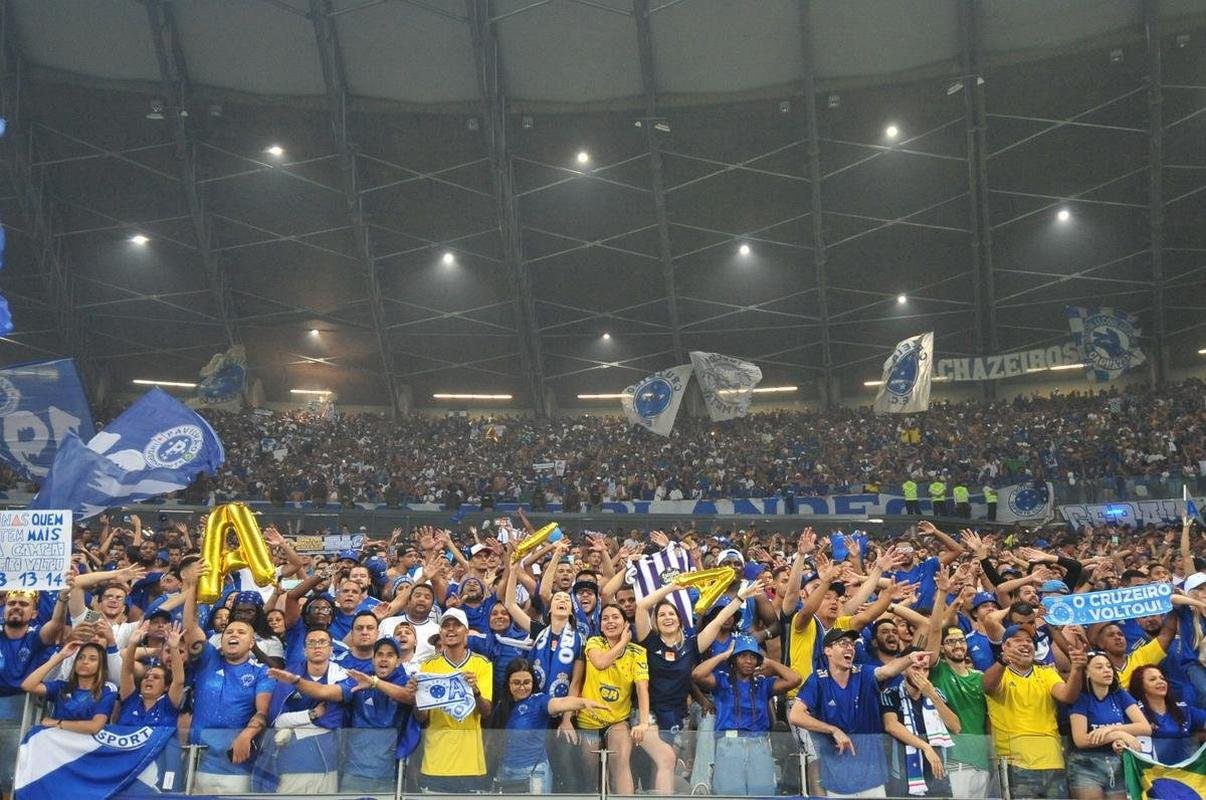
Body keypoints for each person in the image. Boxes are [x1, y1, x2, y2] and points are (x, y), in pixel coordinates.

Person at [789, 628, 928, 798]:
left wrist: (909, 659)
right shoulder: (818, 680)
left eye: (852, 644)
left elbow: (888, 670)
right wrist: (833, 730)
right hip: (837, 775)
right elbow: (796, 715)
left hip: (871, 774)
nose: (850, 648)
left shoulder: (863, 672)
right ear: (828, 650)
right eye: (843, 643)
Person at [184, 563, 276, 793]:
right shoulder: (208, 660)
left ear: (252, 642)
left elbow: (262, 713)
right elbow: (190, 627)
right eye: (229, 632)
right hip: (198, 762)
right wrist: (193, 587)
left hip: (236, 766)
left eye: (241, 632)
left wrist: (248, 733)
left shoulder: (261, 672)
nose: (233, 634)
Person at [578, 603, 675, 795]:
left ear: (625, 623)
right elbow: (601, 663)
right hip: (588, 720)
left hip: (617, 720)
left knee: (621, 764)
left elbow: (642, 688)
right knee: (589, 772)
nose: (610, 621)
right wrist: (623, 642)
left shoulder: (638, 652)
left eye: (615, 617)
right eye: (605, 618)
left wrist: (644, 723)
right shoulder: (594, 642)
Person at [984, 624, 1087, 800]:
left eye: (1029, 641)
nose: (1025, 644)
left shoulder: (1046, 673)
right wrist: (1002, 661)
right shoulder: (1000, 674)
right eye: (1018, 641)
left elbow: (1067, 696)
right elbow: (987, 686)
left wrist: (1077, 669)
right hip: (1014, 764)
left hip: (1053, 763)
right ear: (1005, 647)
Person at [691, 635, 801, 796]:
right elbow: (697, 675)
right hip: (729, 744)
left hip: (759, 744)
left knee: (763, 795)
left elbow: (795, 679)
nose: (749, 661)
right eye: (743, 656)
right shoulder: (723, 681)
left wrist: (769, 662)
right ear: (734, 659)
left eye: (753, 657)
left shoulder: (763, 683)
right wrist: (724, 654)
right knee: (730, 796)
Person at [489, 658, 605, 792]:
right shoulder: (501, 706)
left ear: (533, 682)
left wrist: (583, 703)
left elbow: (561, 703)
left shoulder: (540, 701)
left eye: (527, 682)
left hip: (535, 772)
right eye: (516, 683)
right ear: (508, 683)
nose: (522, 687)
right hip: (505, 772)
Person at [263, 627, 353, 793]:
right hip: (293, 761)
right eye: (311, 643)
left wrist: (294, 726)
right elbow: (278, 720)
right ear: (304, 650)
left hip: (328, 762)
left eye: (322, 642)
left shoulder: (342, 675)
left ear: (331, 649)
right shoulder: (289, 674)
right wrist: (312, 714)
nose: (317, 646)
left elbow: (333, 720)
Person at [413, 607, 493, 793]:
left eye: (456, 625)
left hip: (470, 760)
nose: (450, 629)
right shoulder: (428, 666)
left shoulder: (482, 664)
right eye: (446, 625)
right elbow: (422, 717)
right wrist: (415, 698)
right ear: (440, 633)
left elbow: (487, 711)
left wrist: (476, 692)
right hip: (436, 759)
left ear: (466, 631)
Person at [1066, 652, 1150, 800]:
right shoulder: (1081, 698)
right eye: (1099, 667)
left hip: (1116, 763)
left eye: (1109, 666)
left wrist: (1110, 729)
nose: (1106, 670)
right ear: (1087, 673)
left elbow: (1145, 727)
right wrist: (1118, 735)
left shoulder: (1120, 695)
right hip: (1085, 765)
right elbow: (1081, 740)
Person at [881, 657, 961, 798]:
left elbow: (955, 727)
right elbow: (891, 725)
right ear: (903, 670)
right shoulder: (890, 694)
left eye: (925, 669)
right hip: (903, 773)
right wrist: (926, 747)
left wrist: (933, 696)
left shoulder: (936, 693)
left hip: (936, 772)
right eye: (916, 668)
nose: (921, 674)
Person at [928, 626, 991, 798]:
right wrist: (941, 597)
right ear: (941, 648)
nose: (957, 645)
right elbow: (933, 631)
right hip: (955, 761)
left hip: (982, 761)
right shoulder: (937, 671)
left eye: (961, 640)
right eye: (950, 641)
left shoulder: (980, 677)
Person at [20, 640, 117, 735]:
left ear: (101, 665)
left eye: (92, 659)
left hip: (88, 747)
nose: (85, 662)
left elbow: (95, 726)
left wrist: (57, 723)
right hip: (58, 743)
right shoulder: (62, 686)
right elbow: (28, 685)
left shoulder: (107, 689)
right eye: (80, 658)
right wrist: (61, 656)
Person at [1129, 665, 1206, 765]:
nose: (1160, 681)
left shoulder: (1183, 709)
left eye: (1162, 678)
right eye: (1152, 679)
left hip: (1186, 776)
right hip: (1150, 775)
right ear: (1140, 686)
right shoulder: (1135, 712)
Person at [115, 621, 185, 727]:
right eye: (146, 677)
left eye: (156, 677)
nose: (149, 679)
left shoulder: (169, 703)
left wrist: (174, 648)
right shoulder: (130, 698)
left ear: (166, 686)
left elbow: (178, 680)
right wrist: (132, 644)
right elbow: (127, 672)